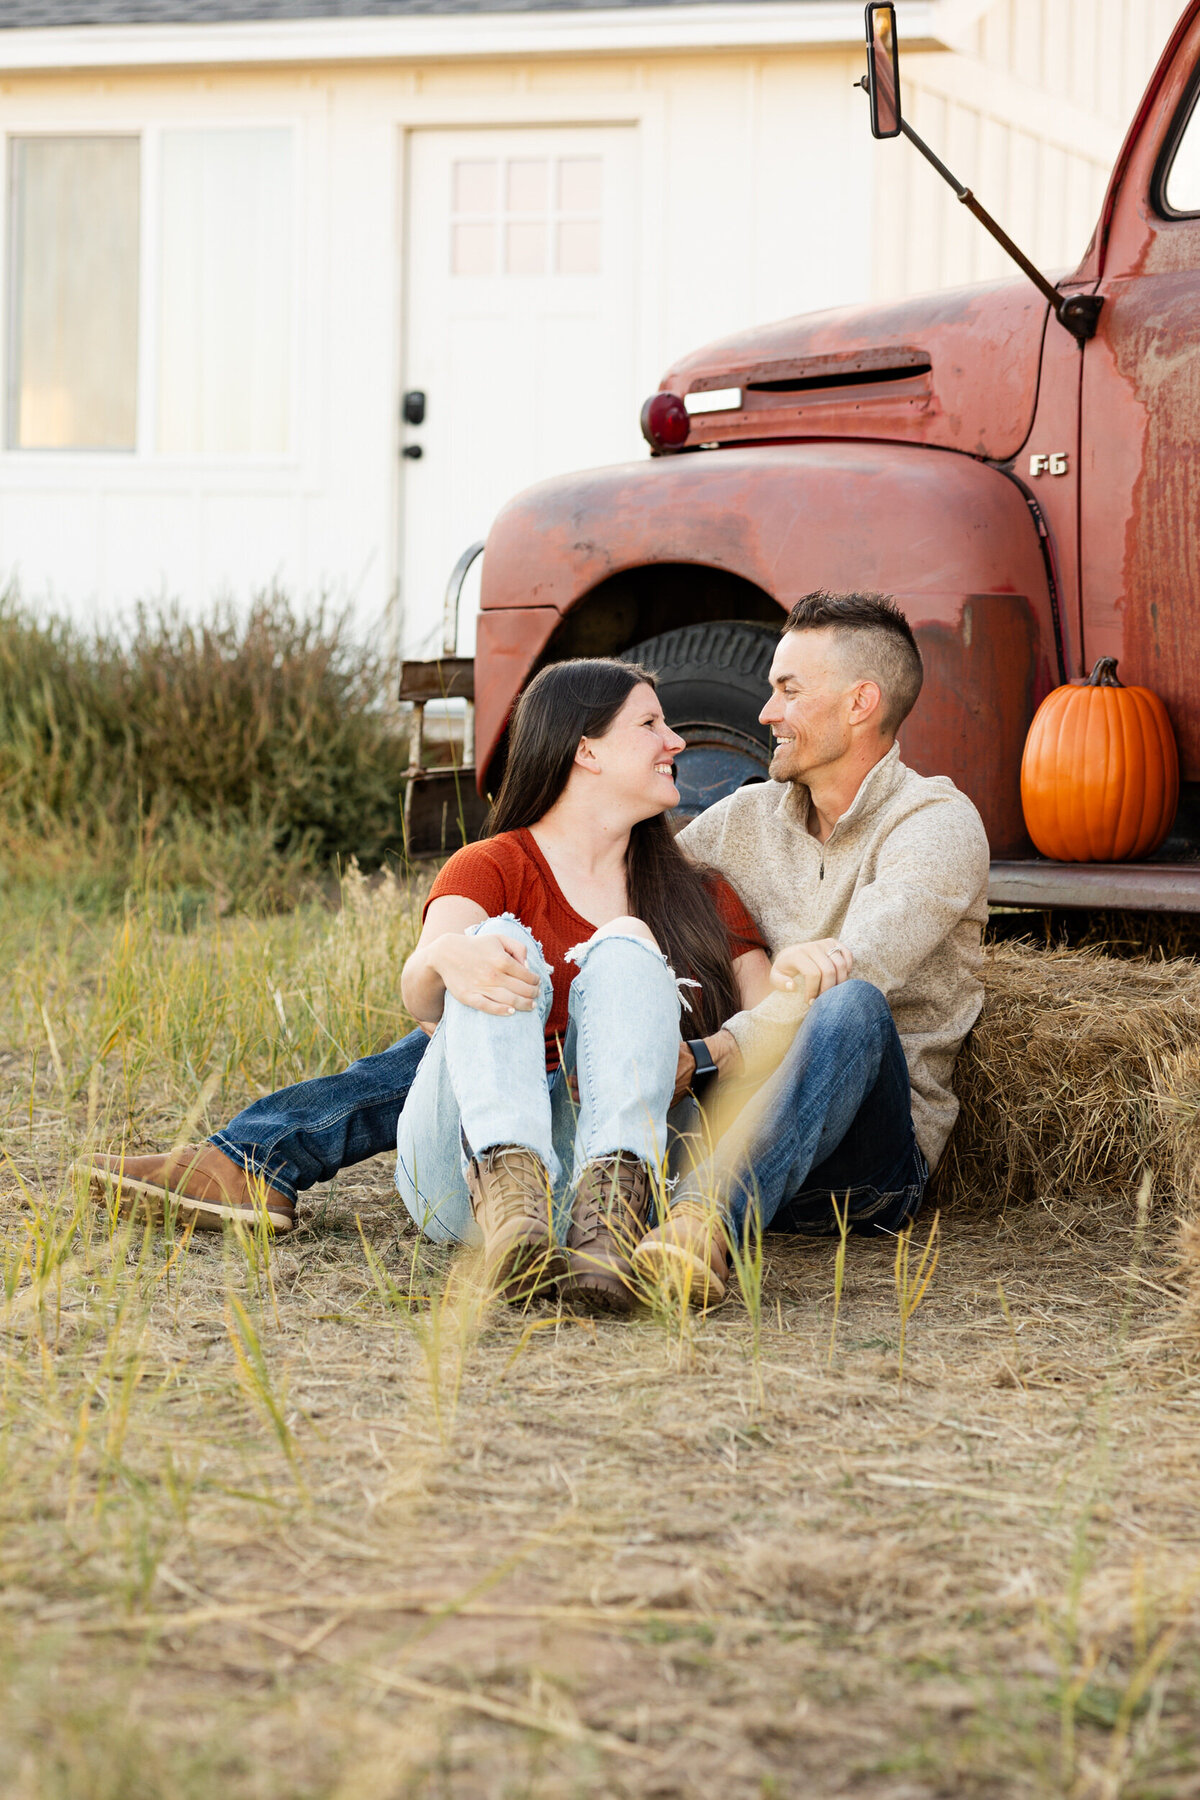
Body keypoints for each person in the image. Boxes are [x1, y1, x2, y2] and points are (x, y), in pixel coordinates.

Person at [79, 659, 771, 1312]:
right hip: (470, 1187)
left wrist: (695, 1054)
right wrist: (449, 960)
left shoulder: (701, 895)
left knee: (625, 947)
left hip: (634, 1188)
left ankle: (255, 1158)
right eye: (650, 725)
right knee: (488, 947)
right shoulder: (493, 866)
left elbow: (775, 1030)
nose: (676, 740)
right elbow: (421, 995)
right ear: (584, 750)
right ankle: (509, 1199)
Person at [630, 590, 990, 1306]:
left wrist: (709, 1054)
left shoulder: (937, 825)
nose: (767, 712)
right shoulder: (751, 815)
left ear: (860, 703)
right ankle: (340, 1128)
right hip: (735, 1116)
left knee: (849, 1004)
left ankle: (703, 1224)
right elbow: (630, 886)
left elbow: (852, 973)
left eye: (787, 690)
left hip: (865, 1172)